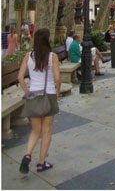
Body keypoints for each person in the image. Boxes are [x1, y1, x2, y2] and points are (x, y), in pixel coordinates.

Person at [17, 28, 62, 175]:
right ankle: (41, 163)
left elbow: (20, 78)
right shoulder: (52, 57)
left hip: (33, 96)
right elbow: (57, 78)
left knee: (35, 130)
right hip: (48, 95)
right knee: (47, 130)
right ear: (47, 40)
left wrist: (27, 92)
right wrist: (57, 91)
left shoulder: (28, 56)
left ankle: (27, 154)